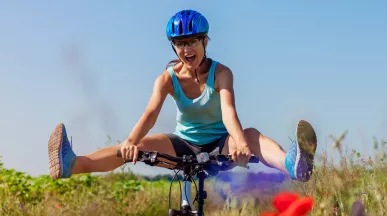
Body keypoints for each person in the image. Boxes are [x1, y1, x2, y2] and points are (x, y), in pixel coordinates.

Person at [48, 9, 317, 185]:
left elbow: (228, 111)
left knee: (252, 135)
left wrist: (238, 142)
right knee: (134, 147)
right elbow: (150, 114)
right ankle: (72, 163)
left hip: (220, 143)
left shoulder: (221, 73)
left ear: (205, 42)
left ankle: (292, 165)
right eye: (180, 43)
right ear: (173, 47)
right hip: (182, 144)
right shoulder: (167, 79)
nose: (186, 48)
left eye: (192, 42)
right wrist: (131, 141)